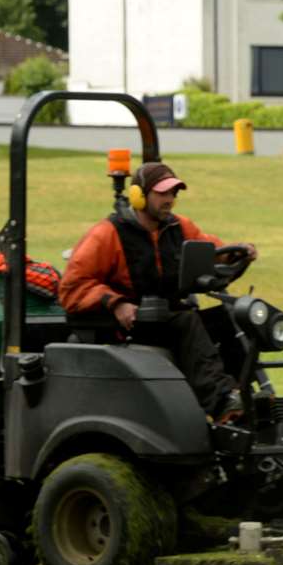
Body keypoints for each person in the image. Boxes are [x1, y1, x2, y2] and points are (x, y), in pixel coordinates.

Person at [59, 160, 255, 421]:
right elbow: (73, 288)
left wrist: (236, 254)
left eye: (173, 193)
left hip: (166, 317)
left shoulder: (180, 227)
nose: (170, 200)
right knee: (186, 321)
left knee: (233, 317)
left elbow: (212, 251)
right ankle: (221, 403)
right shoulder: (107, 234)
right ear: (139, 196)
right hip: (129, 324)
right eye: (162, 193)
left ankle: (244, 395)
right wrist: (116, 304)